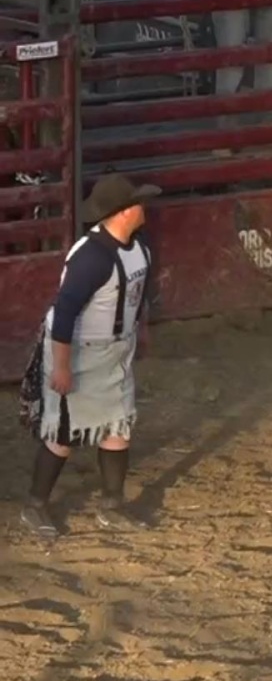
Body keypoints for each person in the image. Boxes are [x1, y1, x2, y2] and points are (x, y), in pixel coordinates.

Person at [18, 175, 160, 537]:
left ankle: (112, 505)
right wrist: (62, 367)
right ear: (124, 212)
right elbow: (65, 314)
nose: (144, 207)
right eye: (138, 203)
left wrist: (139, 333)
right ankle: (35, 505)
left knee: (118, 427)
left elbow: (139, 298)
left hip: (115, 351)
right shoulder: (91, 258)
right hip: (81, 353)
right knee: (63, 434)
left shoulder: (139, 248)